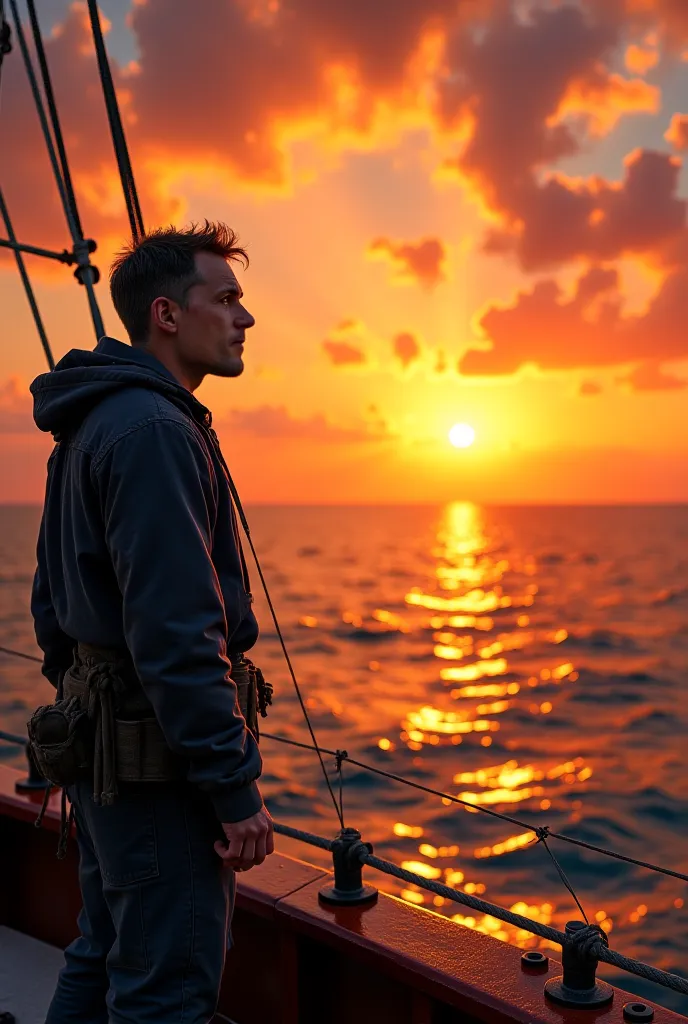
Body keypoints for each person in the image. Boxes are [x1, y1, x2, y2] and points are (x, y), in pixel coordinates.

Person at [29, 222, 274, 1023]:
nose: (244, 318)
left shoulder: (95, 420)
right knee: (165, 995)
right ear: (167, 315)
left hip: (106, 759)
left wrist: (84, 709)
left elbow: (49, 604)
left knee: (101, 954)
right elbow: (176, 635)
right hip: (158, 769)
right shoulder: (155, 431)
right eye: (227, 298)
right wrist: (232, 788)